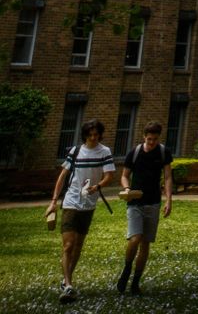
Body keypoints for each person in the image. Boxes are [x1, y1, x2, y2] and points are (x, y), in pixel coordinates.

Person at [48, 119, 116, 304]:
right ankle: (69, 285)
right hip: (71, 201)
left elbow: (109, 175)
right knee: (68, 245)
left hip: (89, 203)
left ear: (100, 135)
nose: (93, 138)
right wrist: (53, 201)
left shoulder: (105, 151)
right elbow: (62, 176)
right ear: (85, 135)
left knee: (78, 245)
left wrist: (98, 186)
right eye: (90, 135)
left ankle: (66, 279)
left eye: (96, 135)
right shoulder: (75, 151)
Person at [117, 121, 173, 295]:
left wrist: (169, 200)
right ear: (144, 137)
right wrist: (127, 189)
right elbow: (125, 176)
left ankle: (135, 282)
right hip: (135, 202)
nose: (151, 143)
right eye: (149, 139)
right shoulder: (134, 153)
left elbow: (168, 177)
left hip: (153, 201)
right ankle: (127, 269)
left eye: (155, 139)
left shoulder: (163, 153)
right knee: (135, 238)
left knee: (145, 243)